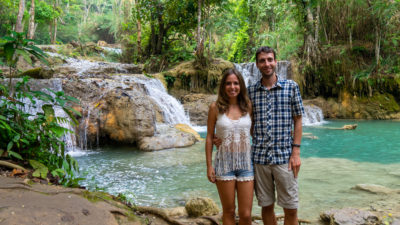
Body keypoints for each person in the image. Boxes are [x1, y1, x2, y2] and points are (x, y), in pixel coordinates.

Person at [248, 46, 304, 225]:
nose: (267, 64)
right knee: (266, 206)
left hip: (284, 157)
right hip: (260, 158)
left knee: (291, 208)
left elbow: (298, 120)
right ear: (257, 64)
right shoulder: (251, 91)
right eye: (262, 61)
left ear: (276, 62)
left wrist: (296, 153)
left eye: (270, 60)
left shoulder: (291, 87)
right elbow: (247, 121)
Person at [205, 68, 254, 225]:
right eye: (228, 84)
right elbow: (209, 137)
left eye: (235, 83)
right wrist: (209, 166)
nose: (232, 87)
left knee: (246, 214)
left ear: (241, 86)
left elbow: (252, 132)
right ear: (223, 86)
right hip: (224, 164)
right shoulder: (215, 108)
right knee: (229, 211)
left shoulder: (248, 106)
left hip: (246, 163)